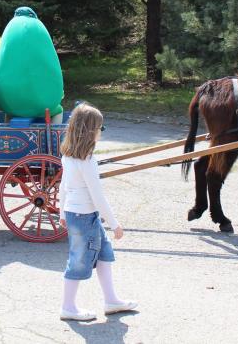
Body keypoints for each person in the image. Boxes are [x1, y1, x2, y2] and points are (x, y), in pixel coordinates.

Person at [58, 103, 137, 321]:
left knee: (104, 254)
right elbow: (97, 197)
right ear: (90, 131)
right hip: (84, 217)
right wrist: (115, 224)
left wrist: (61, 213)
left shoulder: (68, 156)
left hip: (80, 215)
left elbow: (63, 186)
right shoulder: (87, 161)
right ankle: (68, 307)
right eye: (100, 128)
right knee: (78, 261)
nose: (101, 132)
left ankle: (111, 300)